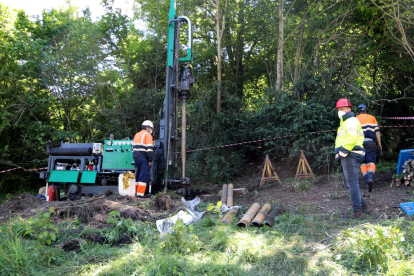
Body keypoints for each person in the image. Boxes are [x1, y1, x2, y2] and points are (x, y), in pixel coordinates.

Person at [334, 98, 369, 218]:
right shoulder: (346, 122)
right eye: (338, 109)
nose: (339, 111)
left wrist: (342, 153)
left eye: (341, 109)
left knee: (352, 183)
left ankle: (357, 212)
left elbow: (352, 138)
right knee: (351, 183)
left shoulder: (350, 121)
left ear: (348, 109)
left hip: (350, 154)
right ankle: (363, 206)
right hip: (351, 154)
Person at [356, 104, 382, 192]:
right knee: (371, 162)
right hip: (371, 142)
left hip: (360, 143)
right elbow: (377, 131)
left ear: (358, 112)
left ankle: (367, 182)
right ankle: (371, 178)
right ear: (366, 111)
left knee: (362, 162)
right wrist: (379, 144)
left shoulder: (355, 119)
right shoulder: (372, 117)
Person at [132, 120, 154, 197]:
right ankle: (140, 195)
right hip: (144, 157)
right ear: (147, 127)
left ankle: (135, 194)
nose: (151, 129)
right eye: (150, 128)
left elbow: (133, 147)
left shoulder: (136, 135)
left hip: (136, 158)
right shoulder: (148, 135)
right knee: (144, 175)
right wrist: (150, 160)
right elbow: (150, 149)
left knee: (137, 175)